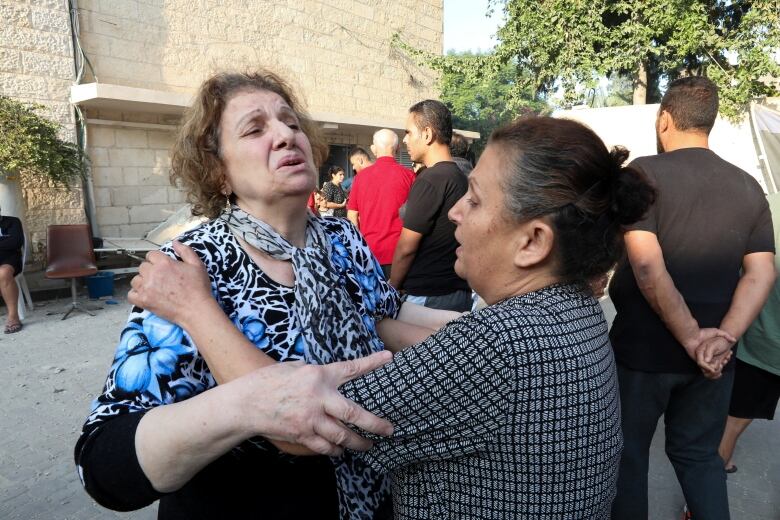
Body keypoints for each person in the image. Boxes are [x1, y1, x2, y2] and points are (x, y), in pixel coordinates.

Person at [128, 115, 656, 518]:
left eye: (473, 200)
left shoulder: (499, 344)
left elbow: (299, 422)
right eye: (255, 128)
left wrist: (195, 310)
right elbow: (382, 318)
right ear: (218, 169)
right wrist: (358, 310)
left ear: (532, 241)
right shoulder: (576, 312)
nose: (454, 213)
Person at [74, 70, 455, 520]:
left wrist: (494, 326)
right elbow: (103, 462)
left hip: (373, 495)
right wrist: (242, 407)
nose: (284, 136)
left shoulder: (340, 238)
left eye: (291, 123)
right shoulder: (192, 263)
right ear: (219, 173)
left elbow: (388, 312)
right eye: (255, 129)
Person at [608, 76, 776, 520]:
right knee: (701, 456)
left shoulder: (642, 174)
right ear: (710, 123)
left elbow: (646, 265)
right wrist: (721, 341)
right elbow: (762, 272)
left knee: (628, 458)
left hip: (642, 355)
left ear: (664, 120)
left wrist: (689, 337)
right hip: (715, 361)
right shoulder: (747, 186)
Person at [718, 191, 780, 474]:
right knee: (733, 420)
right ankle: (699, 504)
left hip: (755, 338)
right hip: (766, 346)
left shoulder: (768, 203)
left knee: (731, 419)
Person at [390, 100, 471, 312]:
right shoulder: (460, 177)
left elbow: (406, 247)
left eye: (408, 132)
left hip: (429, 294)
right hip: (457, 290)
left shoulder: (430, 179)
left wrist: (392, 286)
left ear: (427, 134)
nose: (405, 140)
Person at [347, 129, 415, 278]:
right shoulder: (410, 176)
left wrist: (358, 246)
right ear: (397, 148)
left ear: (373, 149)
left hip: (370, 252)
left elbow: (352, 214)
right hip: (400, 253)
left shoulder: (360, 178)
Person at [0, 208, 23, 334]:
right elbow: (8, 242)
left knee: (3, 273)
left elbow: (15, 242)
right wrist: (4, 241)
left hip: (9, 259)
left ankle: (13, 316)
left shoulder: (12, 222)